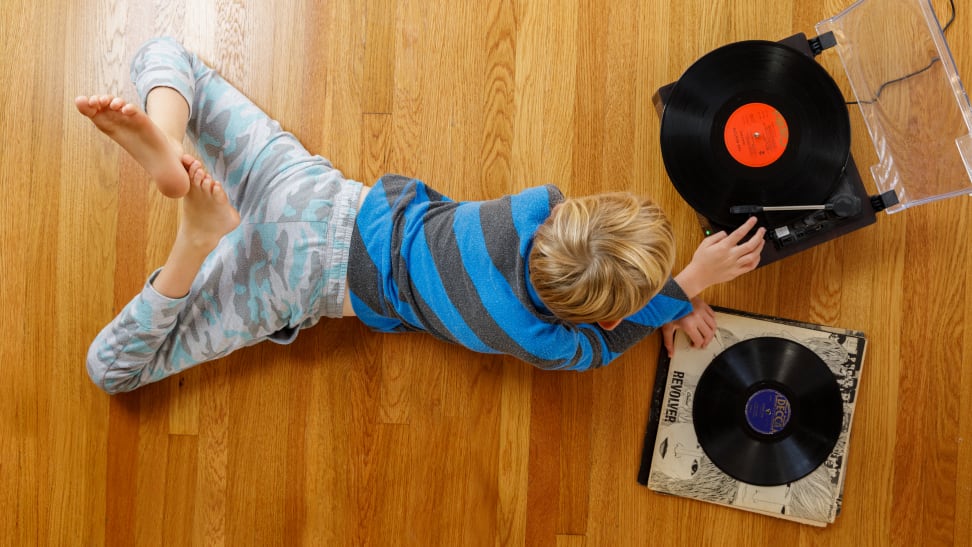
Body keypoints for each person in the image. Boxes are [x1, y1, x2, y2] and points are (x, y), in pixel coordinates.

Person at [78, 37, 765, 395]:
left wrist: (663, 286)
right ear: (608, 314)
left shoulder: (538, 207)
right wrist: (682, 290)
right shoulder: (544, 341)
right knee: (112, 369)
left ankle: (170, 143)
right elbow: (604, 340)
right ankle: (196, 239)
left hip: (313, 194)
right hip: (299, 280)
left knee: (163, 57)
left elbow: (603, 282)